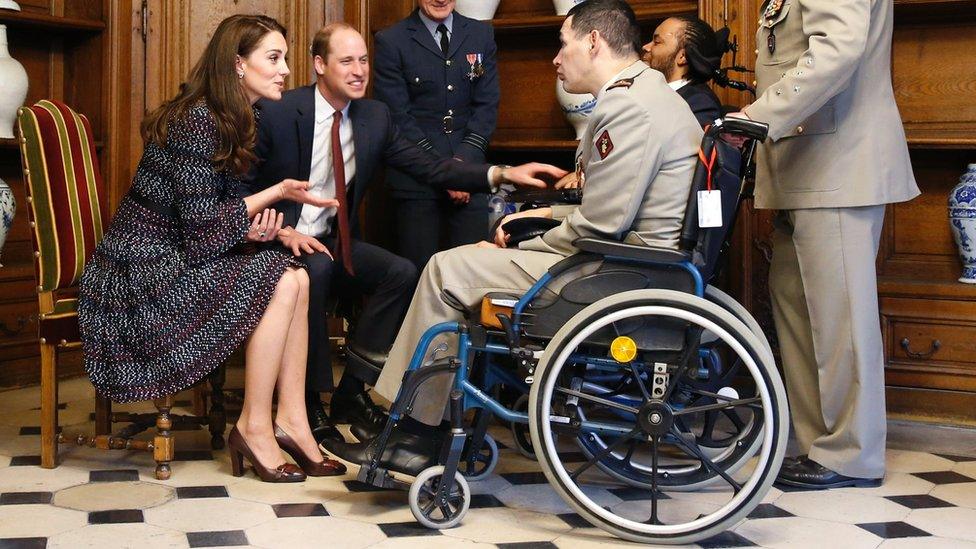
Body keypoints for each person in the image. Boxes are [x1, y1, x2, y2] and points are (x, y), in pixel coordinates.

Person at [345, 0, 703, 475]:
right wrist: (546, 215)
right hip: (630, 262)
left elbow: (601, 224)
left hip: (615, 272)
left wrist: (519, 244)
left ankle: (412, 433)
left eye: (564, 44)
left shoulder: (629, 108)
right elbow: (608, 207)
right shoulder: (647, 93)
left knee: (445, 268)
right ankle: (417, 419)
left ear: (593, 43)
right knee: (461, 263)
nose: (556, 60)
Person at [242, 23, 566, 446]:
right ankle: (306, 402)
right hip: (276, 241)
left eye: (363, 60)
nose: (359, 71)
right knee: (316, 271)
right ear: (320, 65)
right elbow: (241, 186)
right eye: (346, 61)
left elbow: (430, 167)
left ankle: (352, 390)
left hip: (333, 239)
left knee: (401, 272)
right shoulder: (281, 109)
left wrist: (500, 172)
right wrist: (280, 229)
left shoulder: (374, 116)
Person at [79, 15, 348, 482]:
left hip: (174, 255)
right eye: (274, 57)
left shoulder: (234, 116)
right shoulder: (197, 120)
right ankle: (255, 426)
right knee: (283, 280)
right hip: (137, 275)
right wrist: (278, 192)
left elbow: (212, 216)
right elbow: (201, 231)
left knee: (297, 273)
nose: (286, 69)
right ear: (237, 64)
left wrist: (273, 232)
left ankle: (292, 420)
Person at [730, 0, 920, 489]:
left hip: (838, 162)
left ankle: (851, 455)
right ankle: (821, 447)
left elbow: (838, 48)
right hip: (806, 162)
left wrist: (756, 116)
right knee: (798, 306)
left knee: (840, 318)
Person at [373, 0, 500, 272]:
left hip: (469, 176)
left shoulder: (481, 34)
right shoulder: (391, 40)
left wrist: (462, 169)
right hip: (416, 182)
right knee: (420, 277)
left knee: (473, 274)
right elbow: (398, 118)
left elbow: (487, 107)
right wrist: (446, 173)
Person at [641, 15, 724, 127]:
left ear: (682, 56)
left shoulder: (700, 104)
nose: (646, 47)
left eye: (657, 42)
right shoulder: (648, 92)